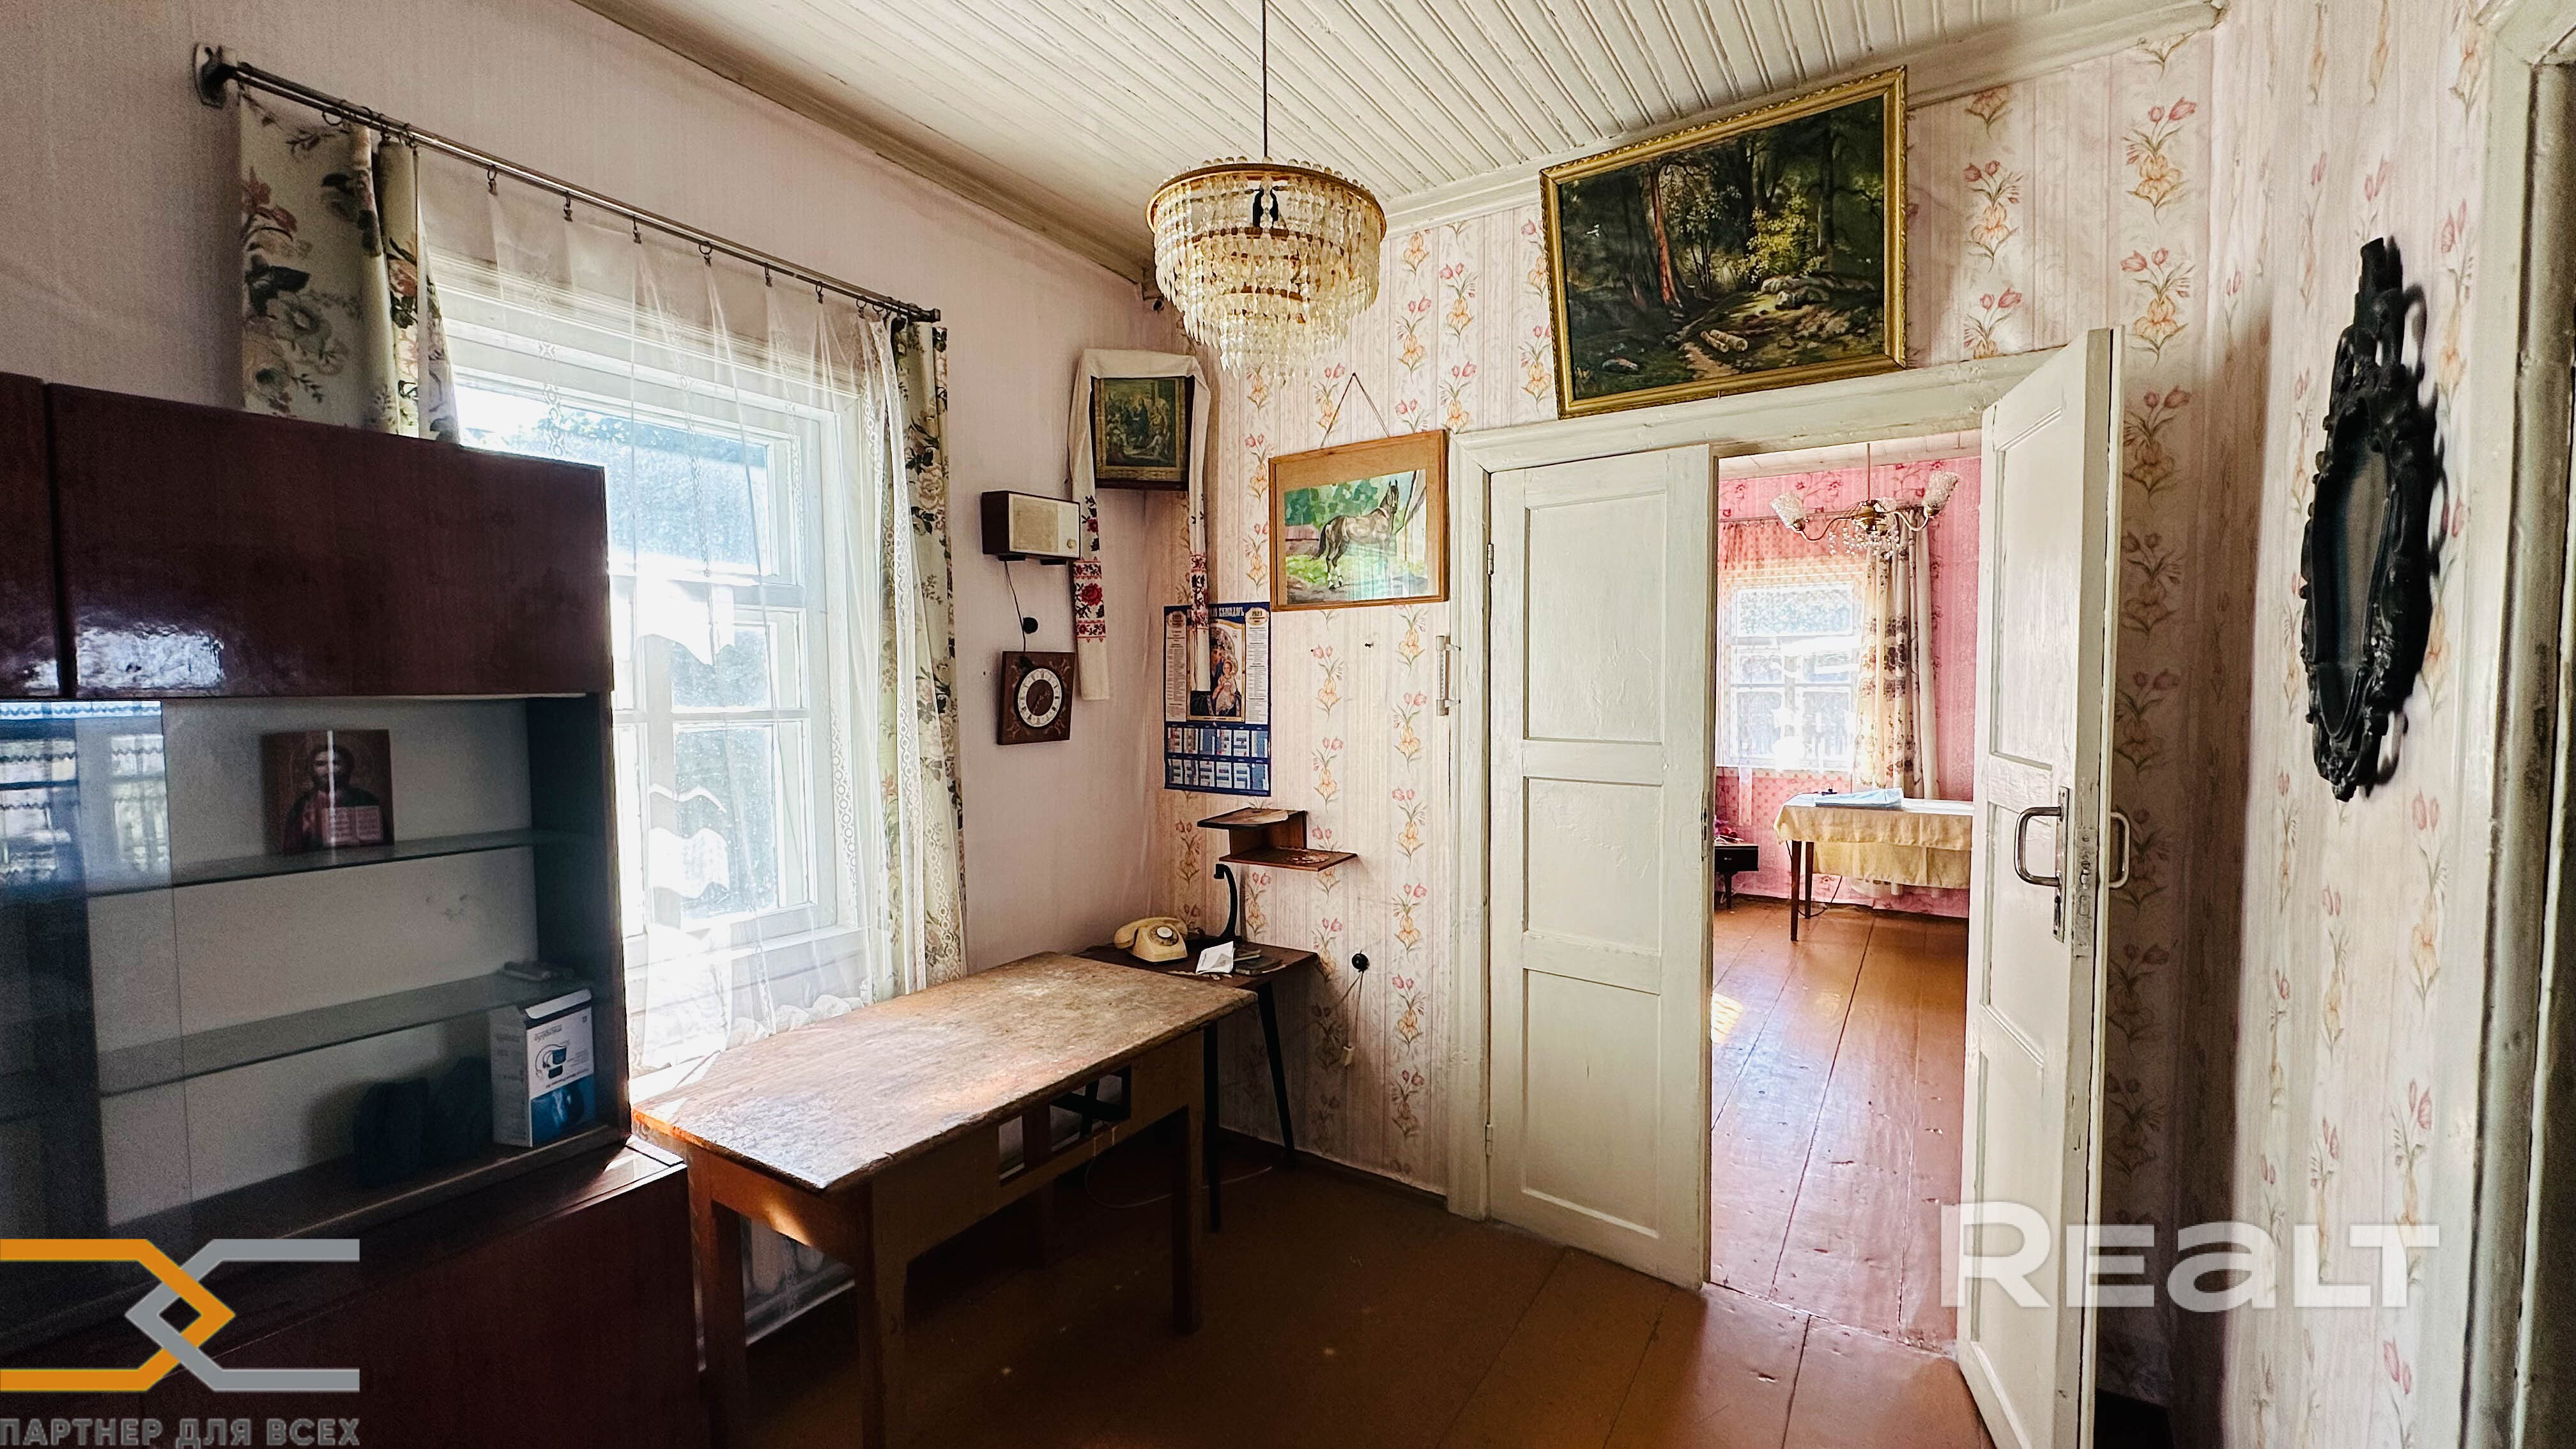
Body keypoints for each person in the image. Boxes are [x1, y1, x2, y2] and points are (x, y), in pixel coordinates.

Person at [282, 740, 387, 852]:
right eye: (320, 764)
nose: (328, 770)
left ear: (348, 767)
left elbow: (383, 844)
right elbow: (292, 847)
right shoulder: (302, 805)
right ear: (311, 769)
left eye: (335, 763)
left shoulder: (366, 800)